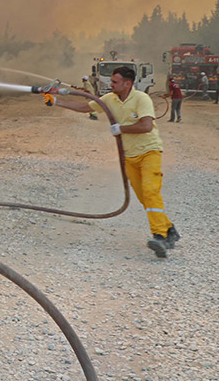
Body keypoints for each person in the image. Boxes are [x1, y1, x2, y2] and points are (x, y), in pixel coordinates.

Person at [44, 66, 180, 258]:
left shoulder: (141, 98)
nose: (111, 84)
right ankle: (169, 229)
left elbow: (147, 125)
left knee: (150, 191)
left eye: (115, 81)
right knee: (144, 198)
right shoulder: (110, 99)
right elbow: (85, 107)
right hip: (129, 156)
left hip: (149, 152)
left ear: (127, 83)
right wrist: (56, 101)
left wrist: (121, 129)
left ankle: (160, 237)